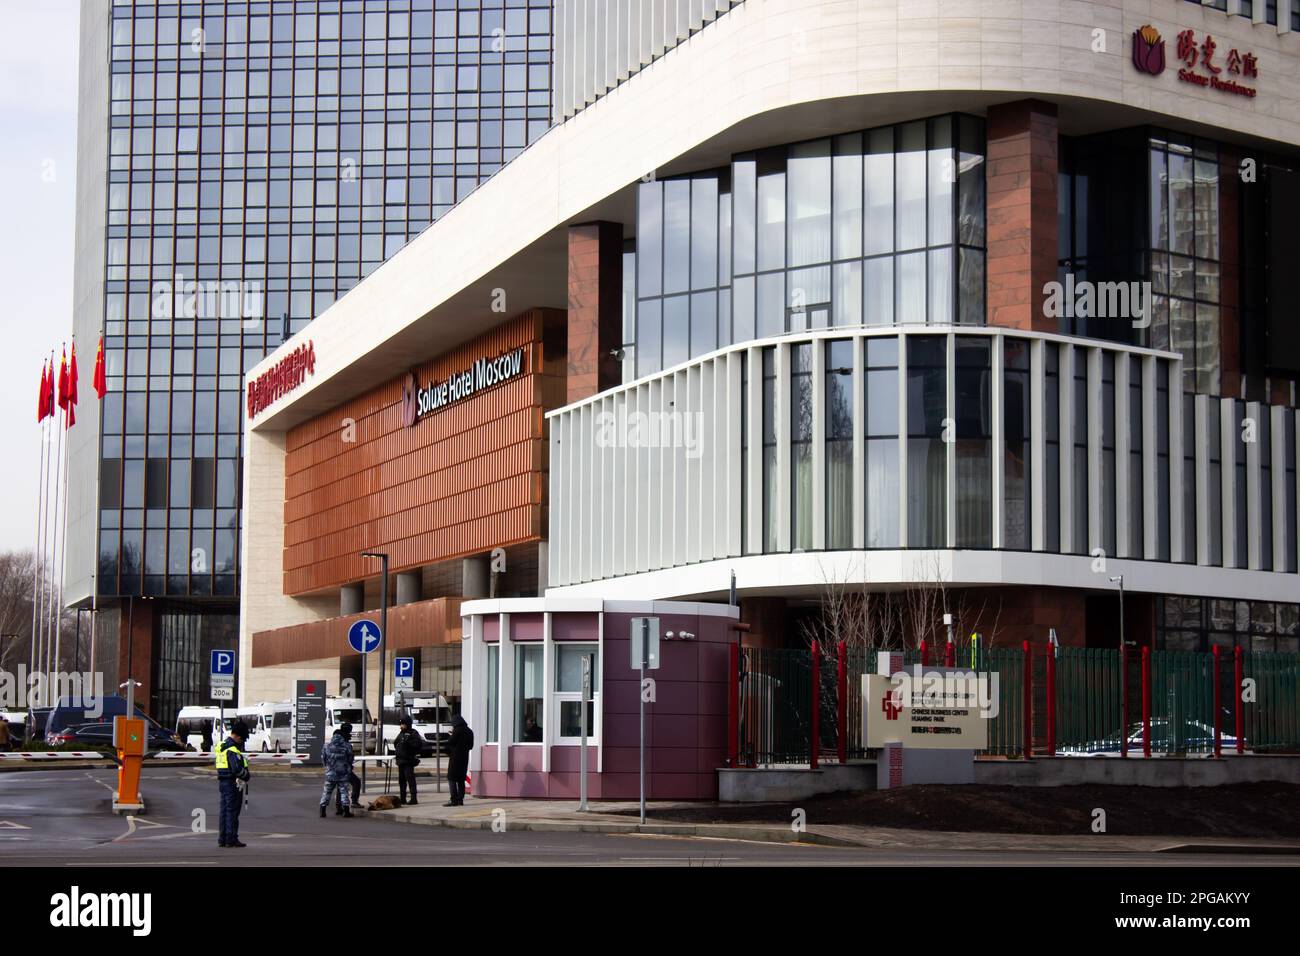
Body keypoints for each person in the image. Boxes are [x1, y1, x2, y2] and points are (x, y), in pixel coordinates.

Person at [214, 719, 251, 848]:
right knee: (232, 811)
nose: (242, 743)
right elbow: (236, 769)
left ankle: (222, 838)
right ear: (238, 737)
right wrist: (246, 775)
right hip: (232, 783)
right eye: (243, 739)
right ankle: (231, 838)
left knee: (224, 811)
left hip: (223, 781)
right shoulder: (232, 750)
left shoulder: (221, 746)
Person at [320, 721, 355, 818]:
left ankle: (322, 811)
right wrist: (347, 766)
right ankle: (346, 811)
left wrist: (328, 767)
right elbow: (350, 759)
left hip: (330, 773)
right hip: (343, 773)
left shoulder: (327, 746)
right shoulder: (347, 746)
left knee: (327, 792)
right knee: (344, 791)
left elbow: (324, 759)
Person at [393, 714, 422, 806]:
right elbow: (396, 742)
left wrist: (408, 743)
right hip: (401, 760)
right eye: (401, 724)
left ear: (408, 724)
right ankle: (403, 798)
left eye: (403, 724)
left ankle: (413, 798)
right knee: (401, 780)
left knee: (410, 779)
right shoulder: (401, 733)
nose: (401, 726)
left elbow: (418, 745)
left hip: (408, 760)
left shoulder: (413, 733)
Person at [445, 715, 473, 807]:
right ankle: (460, 800)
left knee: (452, 778)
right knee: (461, 779)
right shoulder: (469, 731)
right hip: (464, 757)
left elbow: (451, 742)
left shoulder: (457, 731)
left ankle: (453, 799)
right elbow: (470, 746)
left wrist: (451, 736)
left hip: (455, 758)